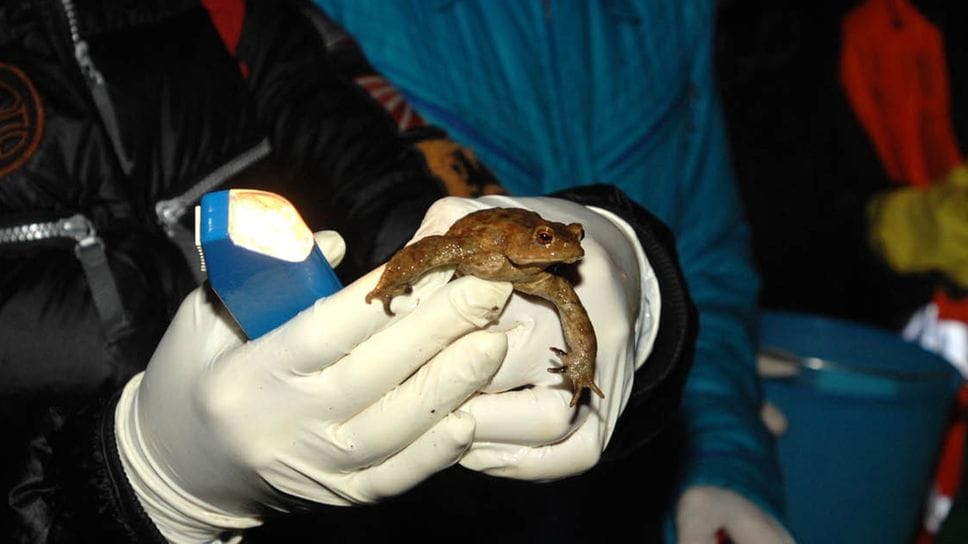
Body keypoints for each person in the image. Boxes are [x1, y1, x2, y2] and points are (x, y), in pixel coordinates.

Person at [1, 0, 697, 541]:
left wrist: (631, 262)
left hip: (383, 511)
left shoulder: (233, 13)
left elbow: (401, 195)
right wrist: (123, 483)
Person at [310, 1, 792, 542]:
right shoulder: (342, 17)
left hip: (632, 474)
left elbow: (710, 257)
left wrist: (723, 451)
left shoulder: (670, 12)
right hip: (420, 493)